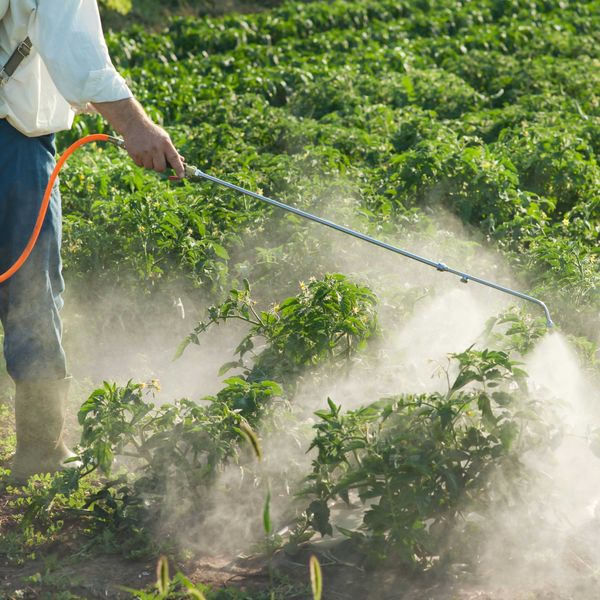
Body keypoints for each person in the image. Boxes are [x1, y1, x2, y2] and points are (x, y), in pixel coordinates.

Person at [0, 0, 185, 480]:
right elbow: (76, 49)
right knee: (30, 296)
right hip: (12, 148)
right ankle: (41, 450)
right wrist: (135, 125)